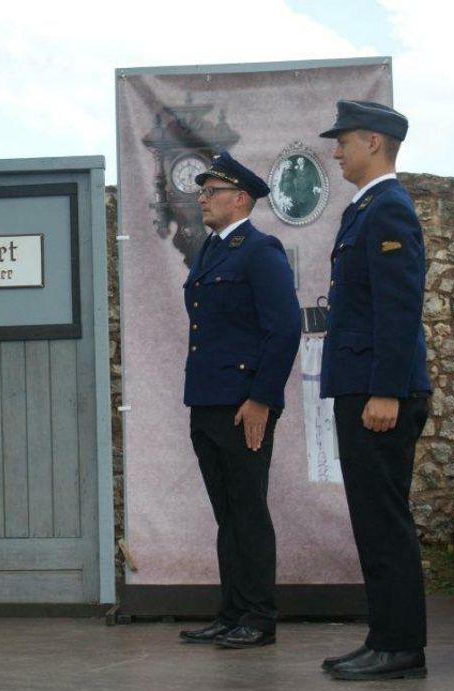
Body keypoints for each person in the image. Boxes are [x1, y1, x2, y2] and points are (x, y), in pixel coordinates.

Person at [318, 100, 431, 680]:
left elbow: (399, 305)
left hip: (378, 391)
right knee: (372, 517)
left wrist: (386, 390)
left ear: (372, 142)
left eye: (343, 141)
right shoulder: (367, 209)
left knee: (384, 519)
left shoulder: (387, 209)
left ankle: (401, 645)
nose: (335, 152)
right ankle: (386, 637)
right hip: (362, 385)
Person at [178, 152, 300, 649]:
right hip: (207, 401)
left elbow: (285, 327)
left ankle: (258, 616)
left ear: (241, 198)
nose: (203, 198)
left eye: (212, 191)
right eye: (202, 192)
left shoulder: (260, 250)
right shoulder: (210, 251)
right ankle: (231, 612)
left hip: (242, 405)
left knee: (248, 509)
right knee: (226, 512)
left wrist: (262, 399)